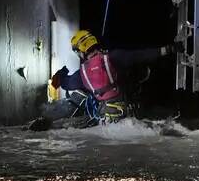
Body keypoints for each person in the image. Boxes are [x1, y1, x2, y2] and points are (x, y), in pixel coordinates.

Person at [44, 29, 175, 124]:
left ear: (81, 51)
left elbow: (67, 83)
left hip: (107, 118)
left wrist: (61, 74)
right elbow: (140, 55)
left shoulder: (82, 73)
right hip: (131, 110)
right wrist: (168, 49)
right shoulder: (113, 57)